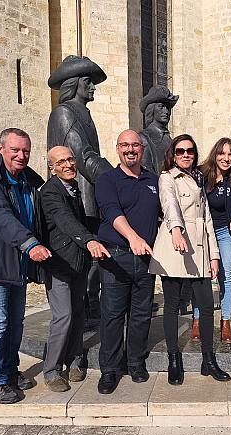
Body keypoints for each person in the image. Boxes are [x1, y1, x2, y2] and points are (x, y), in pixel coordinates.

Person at [0, 128, 51, 404]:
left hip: (18, 265)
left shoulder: (29, 180)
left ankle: (11, 371)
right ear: (1, 148)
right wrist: (30, 244)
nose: (21, 155)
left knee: (15, 323)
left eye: (26, 150)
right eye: (15, 150)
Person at [149, 134, 231, 385]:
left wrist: (214, 256)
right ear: (173, 155)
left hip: (200, 249)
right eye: (180, 151)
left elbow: (207, 219)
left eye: (190, 151)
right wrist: (176, 230)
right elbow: (169, 203)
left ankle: (209, 360)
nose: (186, 154)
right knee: (172, 306)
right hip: (175, 244)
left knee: (206, 306)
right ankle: (174, 360)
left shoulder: (199, 178)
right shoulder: (167, 177)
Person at [47, 55, 113, 320]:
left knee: (94, 253)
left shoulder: (82, 113)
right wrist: (116, 179)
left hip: (90, 195)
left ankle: (91, 305)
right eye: (88, 81)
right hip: (79, 197)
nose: (93, 87)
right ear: (74, 84)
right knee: (85, 250)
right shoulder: (64, 113)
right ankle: (85, 308)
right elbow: (83, 156)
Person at [94, 130, 161, 394]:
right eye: (125, 145)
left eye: (135, 145)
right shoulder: (107, 179)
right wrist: (133, 237)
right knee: (112, 315)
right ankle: (110, 370)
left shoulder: (153, 180)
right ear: (117, 149)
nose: (130, 149)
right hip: (116, 256)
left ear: (142, 149)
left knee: (141, 314)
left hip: (145, 258)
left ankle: (135, 362)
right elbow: (111, 211)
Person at [39, 146, 110, 392]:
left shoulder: (73, 187)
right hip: (59, 264)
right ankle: (52, 370)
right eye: (61, 162)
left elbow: (81, 220)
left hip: (78, 262)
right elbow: (65, 220)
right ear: (52, 168)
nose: (68, 165)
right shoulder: (50, 192)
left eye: (70, 159)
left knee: (79, 313)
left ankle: (76, 358)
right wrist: (89, 240)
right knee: (64, 317)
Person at [191, 138, 231, 344]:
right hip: (203, 232)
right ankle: (197, 320)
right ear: (215, 154)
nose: (226, 158)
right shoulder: (201, 174)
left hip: (224, 232)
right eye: (222, 153)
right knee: (201, 276)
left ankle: (225, 322)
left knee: (226, 277)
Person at [138, 85, 179, 174]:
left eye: (168, 108)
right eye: (161, 107)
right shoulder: (144, 137)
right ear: (152, 109)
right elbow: (146, 171)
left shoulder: (168, 139)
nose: (166, 111)